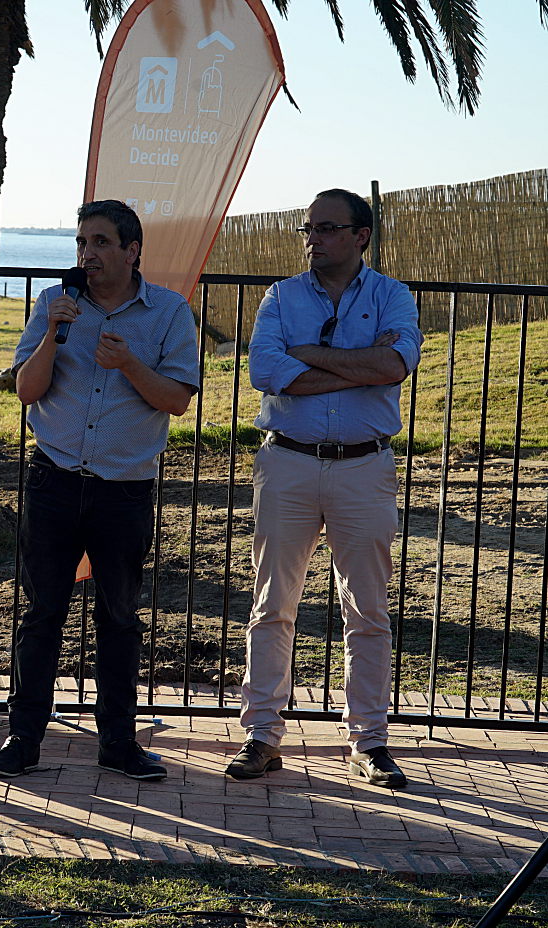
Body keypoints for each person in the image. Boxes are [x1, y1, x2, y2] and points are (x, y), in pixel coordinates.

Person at [0, 200, 200, 782]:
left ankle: (119, 744)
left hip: (123, 489)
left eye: (102, 242)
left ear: (133, 252)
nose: (89, 254)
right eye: (83, 243)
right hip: (54, 479)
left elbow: (177, 401)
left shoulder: (168, 314)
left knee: (119, 617)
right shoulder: (56, 308)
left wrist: (130, 364)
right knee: (41, 614)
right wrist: (54, 336)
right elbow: (27, 392)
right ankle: (23, 738)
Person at [229, 188, 422, 789]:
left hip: (365, 467)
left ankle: (369, 741)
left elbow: (396, 368)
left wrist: (308, 356)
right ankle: (262, 735)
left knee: (367, 609)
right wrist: (356, 362)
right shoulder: (282, 296)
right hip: (287, 462)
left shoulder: (392, 295)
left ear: (360, 235)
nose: (313, 238)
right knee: (272, 603)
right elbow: (265, 372)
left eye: (326, 228)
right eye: (307, 228)